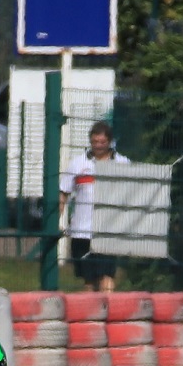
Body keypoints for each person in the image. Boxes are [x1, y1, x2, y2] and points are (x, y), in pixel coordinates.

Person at [62, 121, 125, 291]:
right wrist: (58, 219)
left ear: (110, 142)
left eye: (102, 143)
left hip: (108, 230)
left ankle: (108, 311)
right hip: (82, 230)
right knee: (88, 280)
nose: (98, 146)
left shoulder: (122, 163)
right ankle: (90, 315)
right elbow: (64, 192)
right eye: (94, 142)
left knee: (106, 275)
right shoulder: (77, 163)